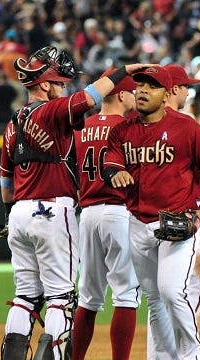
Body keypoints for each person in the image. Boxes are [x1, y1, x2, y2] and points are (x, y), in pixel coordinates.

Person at [0, 45, 148, 360]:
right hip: (52, 210)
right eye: (60, 83)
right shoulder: (51, 111)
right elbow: (92, 95)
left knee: (25, 297)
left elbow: (5, 186)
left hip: (19, 214)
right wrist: (125, 70)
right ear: (44, 83)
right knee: (61, 297)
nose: (64, 88)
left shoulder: (12, 124)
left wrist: (19, 209)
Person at [102, 66, 200, 359]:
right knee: (155, 298)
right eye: (140, 85)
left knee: (172, 291)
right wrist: (114, 173)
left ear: (165, 93)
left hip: (176, 223)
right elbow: (110, 162)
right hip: (137, 223)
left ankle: (191, 354)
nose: (143, 90)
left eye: (152, 86)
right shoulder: (123, 129)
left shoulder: (186, 127)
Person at [140, 63, 200, 358]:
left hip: (148, 217)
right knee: (193, 289)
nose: (187, 92)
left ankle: (162, 355)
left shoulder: (144, 122)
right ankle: (189, 353)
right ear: (174, 90)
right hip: (186, 211)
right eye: (186, 87)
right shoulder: (182, 120)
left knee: (158, 298)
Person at [72, 68, 140, 360]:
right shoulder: (129, 127)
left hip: (87, 215)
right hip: (119, 212)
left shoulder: (82, 127)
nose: (136, 96)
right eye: (133, 92)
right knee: (126, 295)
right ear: (122, 94)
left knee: (88, 297)